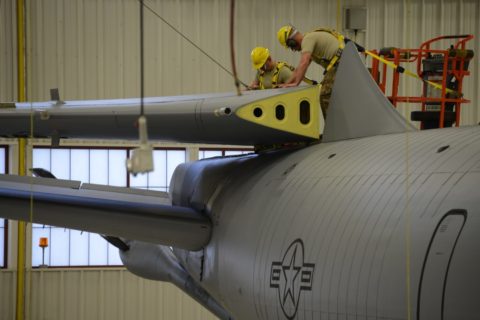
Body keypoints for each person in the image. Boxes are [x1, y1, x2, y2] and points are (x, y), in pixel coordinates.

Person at [277, 25, 361, 118]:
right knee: (335, 97)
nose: (293, 50)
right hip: (342, 63)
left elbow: (304, 62)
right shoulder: (309, 41)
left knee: (325, 95)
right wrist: (287, 84)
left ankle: (333, 129)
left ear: (292, 41)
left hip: (342, 62)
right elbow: (298, 69)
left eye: (290, 46)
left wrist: (296, 83)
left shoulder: (307, 40)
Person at [249, 47, 317, 90]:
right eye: (259, 67)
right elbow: (255, 84)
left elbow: (294, 90)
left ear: (269, 59)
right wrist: (252, 87)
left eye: (263, 66)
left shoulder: (283, 71)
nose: (261, 68)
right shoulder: (261, 71)